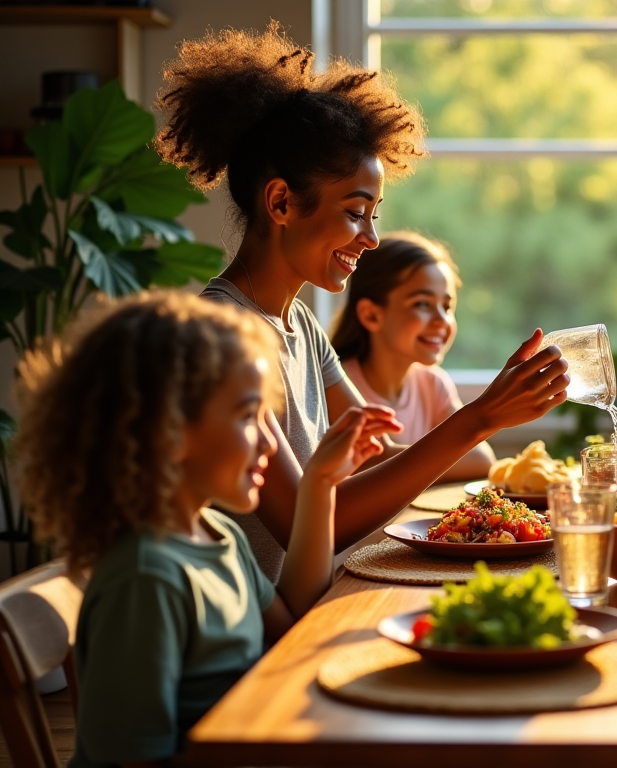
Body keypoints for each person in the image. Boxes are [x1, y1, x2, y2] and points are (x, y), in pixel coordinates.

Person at [154, 24, 569, 580]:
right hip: (255, 636)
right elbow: (310, 522)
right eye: (355, 212)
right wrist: (480, 418)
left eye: (374, 216)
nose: (370, 238)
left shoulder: (299, 324)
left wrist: (488, 435)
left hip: (305, 605)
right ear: (281, 202)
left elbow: (380, 457)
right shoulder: (223, 338)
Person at [16, 292, 399, 768]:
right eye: (246, 417)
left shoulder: (215, 531)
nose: (268, 440)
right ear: (167, 432)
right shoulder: (145, 578)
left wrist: (319, 483)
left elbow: (293, 619)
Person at [329, 231, 494, 479]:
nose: (442, 321)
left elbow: (481, 459)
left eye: (447, 306)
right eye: (423, 304)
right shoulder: (337, 387)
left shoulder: (433, 385)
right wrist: (439, 458)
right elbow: (372, 465)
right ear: (371, 315)